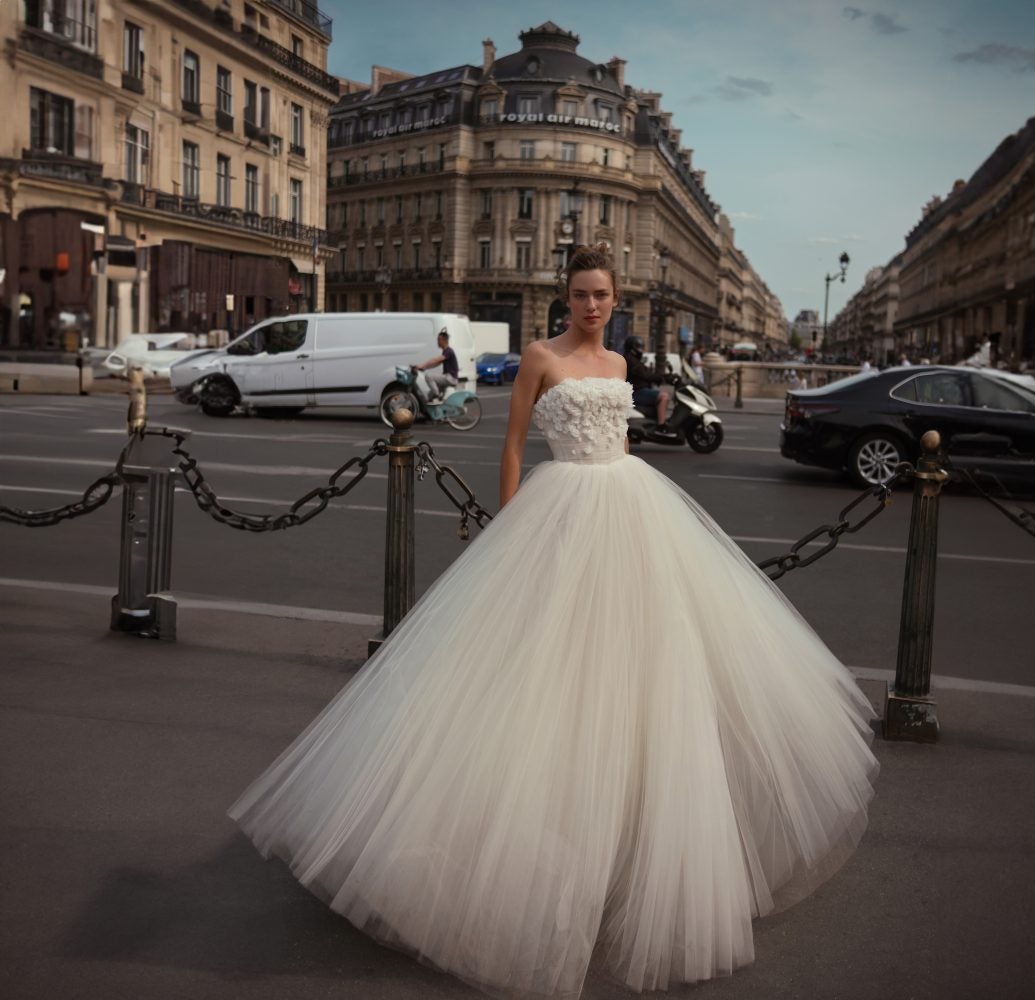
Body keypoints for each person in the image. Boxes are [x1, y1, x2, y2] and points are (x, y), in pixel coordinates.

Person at [228, 244, 877, 1000]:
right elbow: (509, 449)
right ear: (563, 297)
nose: (590, 305)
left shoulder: (621, 367)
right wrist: (511, 529)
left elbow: (625, 443)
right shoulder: (539, 357)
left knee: (640, 670)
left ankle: (627, 843)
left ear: (615, 298)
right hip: (558, 512)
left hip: (630, 509)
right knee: (541, 672)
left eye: (600, 294)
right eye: (579, 293)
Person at [623, 334, 673, 432]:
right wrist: (663, 378)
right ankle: (661, 426)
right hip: (636, 392)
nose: (641, 350)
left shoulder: (633, 360)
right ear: (632, 348)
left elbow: (647, 373)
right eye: (639, 348)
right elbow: (645, 375)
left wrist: (662, 377)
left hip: (638, 390)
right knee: (664, 396)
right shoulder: (630, 360)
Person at [416, 330, 458, 399]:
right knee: (429, 396)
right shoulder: (445, 351)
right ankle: (437, 399)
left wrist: (422, 365)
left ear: (444, 340)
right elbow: (436, 363)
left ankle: (437, 395)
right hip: (448, 377)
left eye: (439, 340)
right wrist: (424, 368)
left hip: (450, 378)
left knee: (429, 376)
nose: (437, 342)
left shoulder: (448, 351)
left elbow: (436, 360)